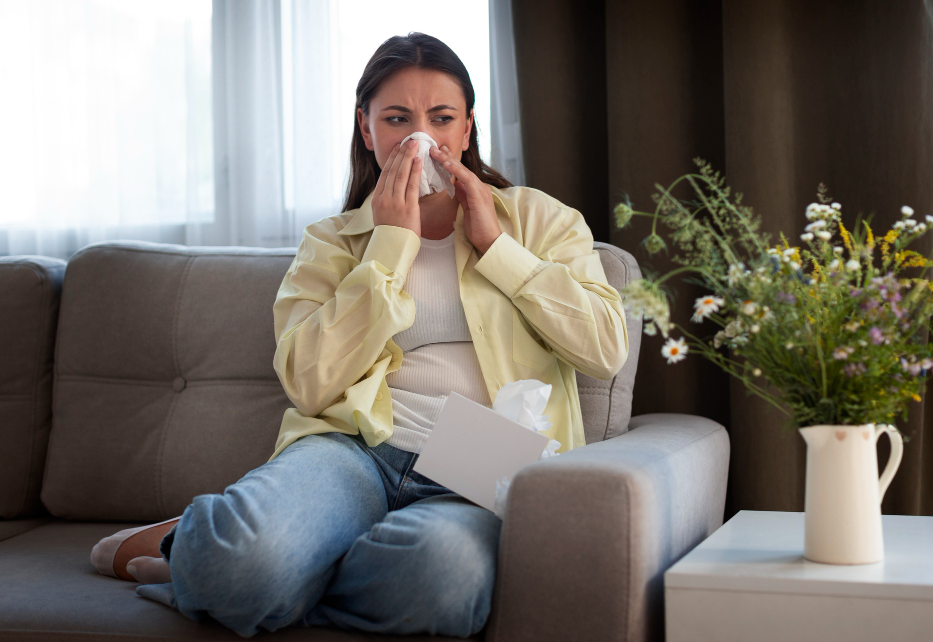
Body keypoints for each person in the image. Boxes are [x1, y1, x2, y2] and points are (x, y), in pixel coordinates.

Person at [90, 31, 629, 639]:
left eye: (441, 118)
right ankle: (246, 560)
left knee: (441, 579)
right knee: (240, 563)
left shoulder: (538, 220)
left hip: (481, 473)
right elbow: (309, 384)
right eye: (397, 119)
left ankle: (249, 566)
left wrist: (497, 249)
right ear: (367, 130)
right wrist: (390, 247)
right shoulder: (332, 242)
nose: (419, 137)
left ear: (467, 130)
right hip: (354, 451)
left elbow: (604, 349)